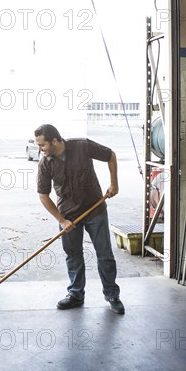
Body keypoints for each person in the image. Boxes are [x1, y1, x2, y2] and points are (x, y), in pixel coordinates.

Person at [34, 124, 125, 314]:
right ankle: (76, 294)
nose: (40, 149)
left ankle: (112, 295)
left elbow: (110, 156)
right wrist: (61, 220)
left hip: (95, 210)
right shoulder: (45, 163)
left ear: (55, 140)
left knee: (104, 254)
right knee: (73, 255)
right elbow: (43, 195)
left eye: (42, 145)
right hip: (68, 214)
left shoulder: (83, 146)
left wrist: (114, 183)